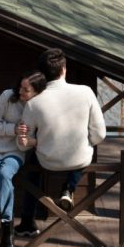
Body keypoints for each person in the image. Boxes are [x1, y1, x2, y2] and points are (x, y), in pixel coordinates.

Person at [15, 48, 106, 236]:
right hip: (78, 159)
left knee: (32, 170)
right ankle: (69, 188)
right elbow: (100, 135)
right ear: (64, 69)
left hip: (47, 160)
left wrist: (36, 141)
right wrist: (86, 141)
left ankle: (27, 221)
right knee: (84, 149)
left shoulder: (34, 102)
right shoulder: (85, 92)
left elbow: (22, 144)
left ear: (42, 73)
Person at [0, 70, 47, 247]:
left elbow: (32, 140)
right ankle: (7, 237)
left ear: (37, 92)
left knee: (4, 176)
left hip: (16, 152)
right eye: (20, 87)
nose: (21, 92)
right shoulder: (7, 96)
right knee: (6, 181)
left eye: (26, 90)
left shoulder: (38, 108)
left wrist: (24, 138)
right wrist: (14, 129)